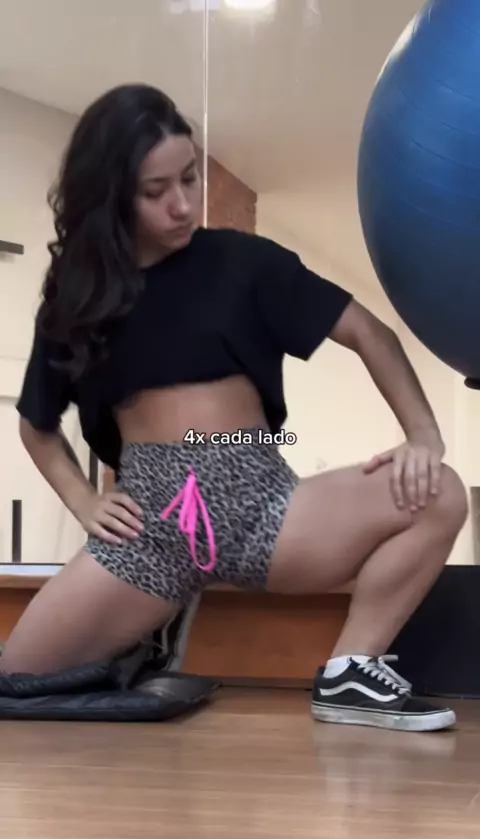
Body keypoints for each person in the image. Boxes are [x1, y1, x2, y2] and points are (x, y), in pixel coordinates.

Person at [2, 83, 467, 733]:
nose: (182, 203)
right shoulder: (77, 300)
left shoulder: (242, 263)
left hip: (266, 511)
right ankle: (150, 645)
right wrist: (82, 502)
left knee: (441, 492)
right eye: (156, 190)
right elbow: (37, 426)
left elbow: (369, 332)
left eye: (189, 177)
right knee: (15, 681)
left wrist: (423, 435)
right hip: (149, 535)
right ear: (112, 195)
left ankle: (350, 671)